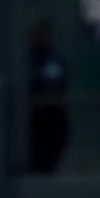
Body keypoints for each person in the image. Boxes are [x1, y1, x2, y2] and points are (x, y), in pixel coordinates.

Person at [28, 17, 70, 173]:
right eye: (33, 33)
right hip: (31, 130)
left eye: (40, 33)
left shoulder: (53, 63)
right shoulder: (23, 62)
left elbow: (55, 90)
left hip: (50, 130)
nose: (36, 37)